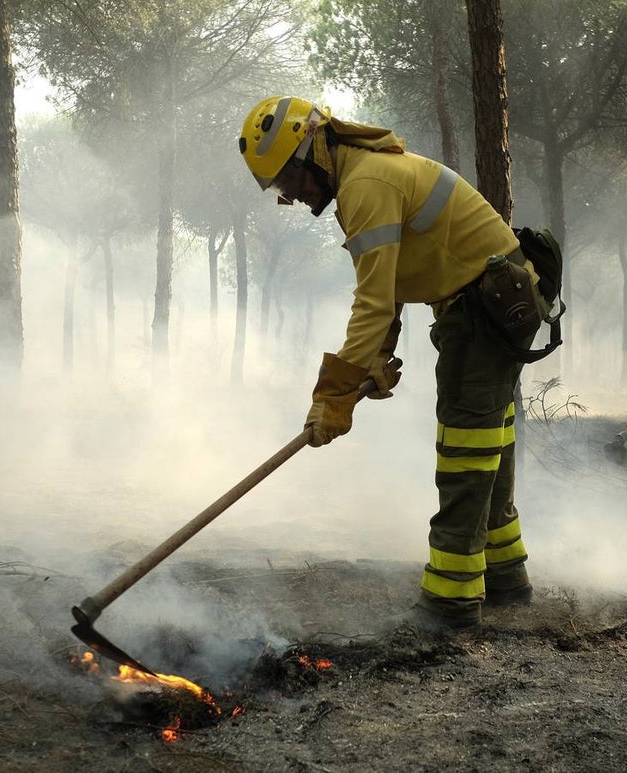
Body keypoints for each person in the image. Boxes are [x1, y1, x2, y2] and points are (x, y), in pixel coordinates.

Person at [238, 96, 553, 632]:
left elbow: (373, 300)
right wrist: (376, 356)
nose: (289, 195)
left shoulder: (367, 185)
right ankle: (505, 577)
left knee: (464, 450)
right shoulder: (367, 178)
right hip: (490, 304)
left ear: (310, 149)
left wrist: (334, 394)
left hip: (483, 311)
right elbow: (392, 281)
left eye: (287, 180)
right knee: (486, 443)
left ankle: (450, 604)